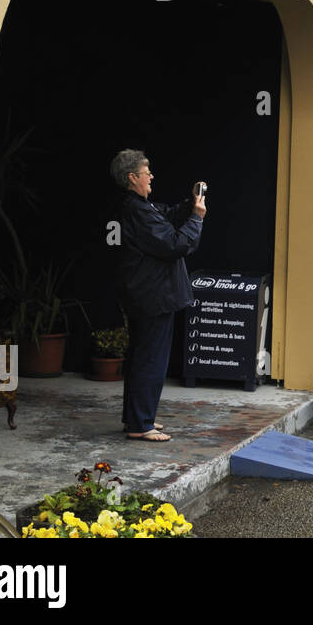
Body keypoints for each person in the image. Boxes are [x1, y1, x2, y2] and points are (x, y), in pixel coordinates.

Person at [110, 149, 206, 441]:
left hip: (147, 296)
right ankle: (141, 425)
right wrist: (198, 218)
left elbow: (167, 214)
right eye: (146, 172)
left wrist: (191, 202)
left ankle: (138, 417)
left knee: (143, 357)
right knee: (151, 359)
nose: (151, 176)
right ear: (132, 178)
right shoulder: (137, 210)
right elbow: (176, 245)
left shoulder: (140, 206)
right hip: (153, 297)